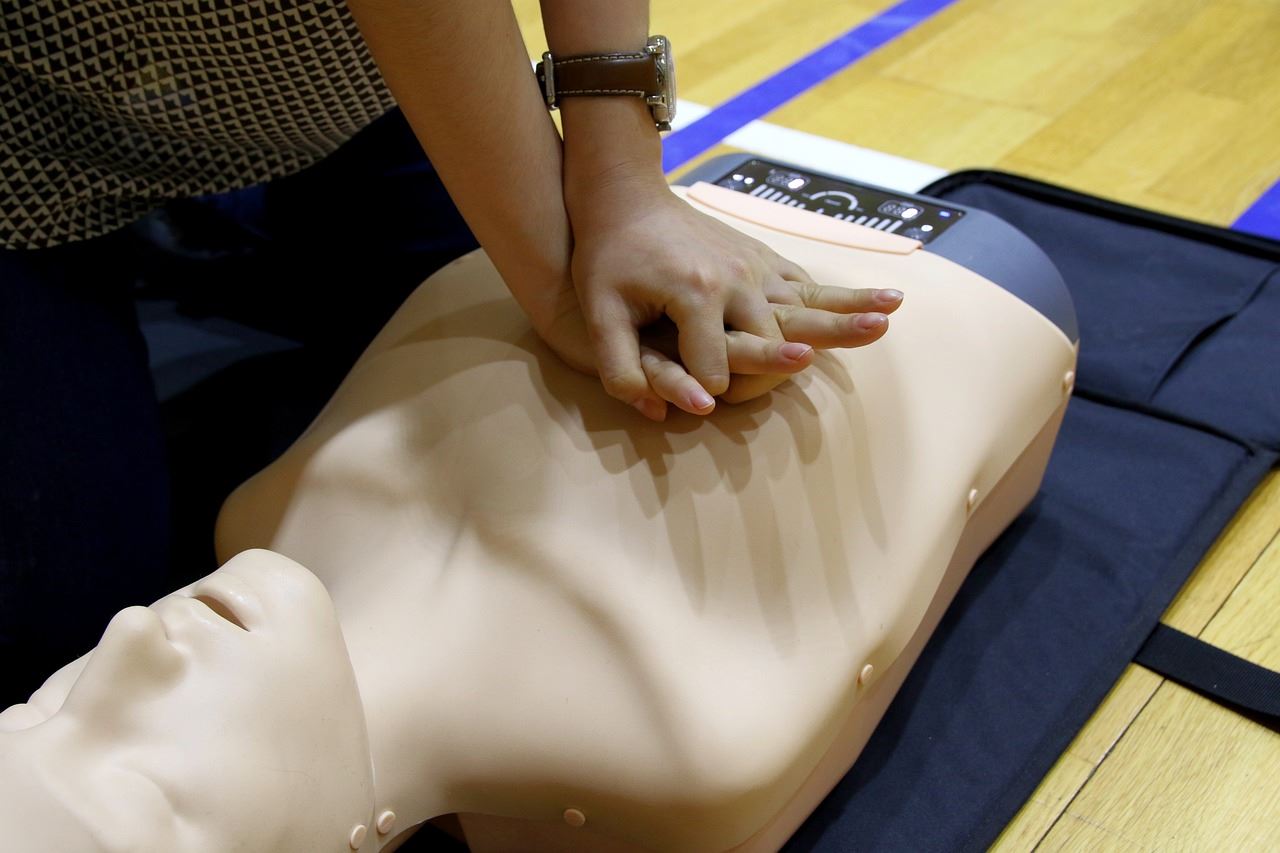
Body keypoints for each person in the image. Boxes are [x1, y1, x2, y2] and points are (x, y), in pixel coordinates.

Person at [0, 187, 1075, 851]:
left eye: (34, 718)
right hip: (980, 292)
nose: (134, 637)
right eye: (144, 783)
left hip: (612, 198)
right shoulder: (676, 730)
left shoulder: (262, 515)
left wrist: (617, 180)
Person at [0, 1, 901, 702]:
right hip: (33, 100)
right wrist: (562, 278)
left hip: (339, 83)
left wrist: (622, 183)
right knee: (64, 634)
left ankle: (218, 221)